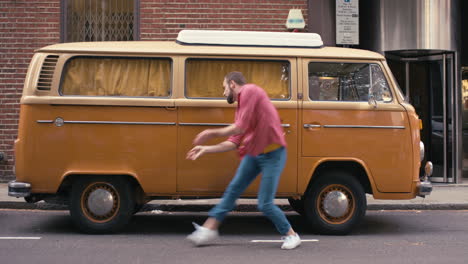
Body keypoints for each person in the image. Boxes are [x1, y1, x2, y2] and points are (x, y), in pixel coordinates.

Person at [186, 71, 301, 250]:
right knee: (233, 190)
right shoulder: (242, 107)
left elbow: (239, 128)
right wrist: (206, 149)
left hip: (273, 154)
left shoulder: (250, 91)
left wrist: (210, 133)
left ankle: (291, 235)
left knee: (265, 203)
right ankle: (208, 229)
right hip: (254, 153)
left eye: (224, 87)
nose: (223, 93)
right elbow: (233, 142)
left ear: (232, 84)